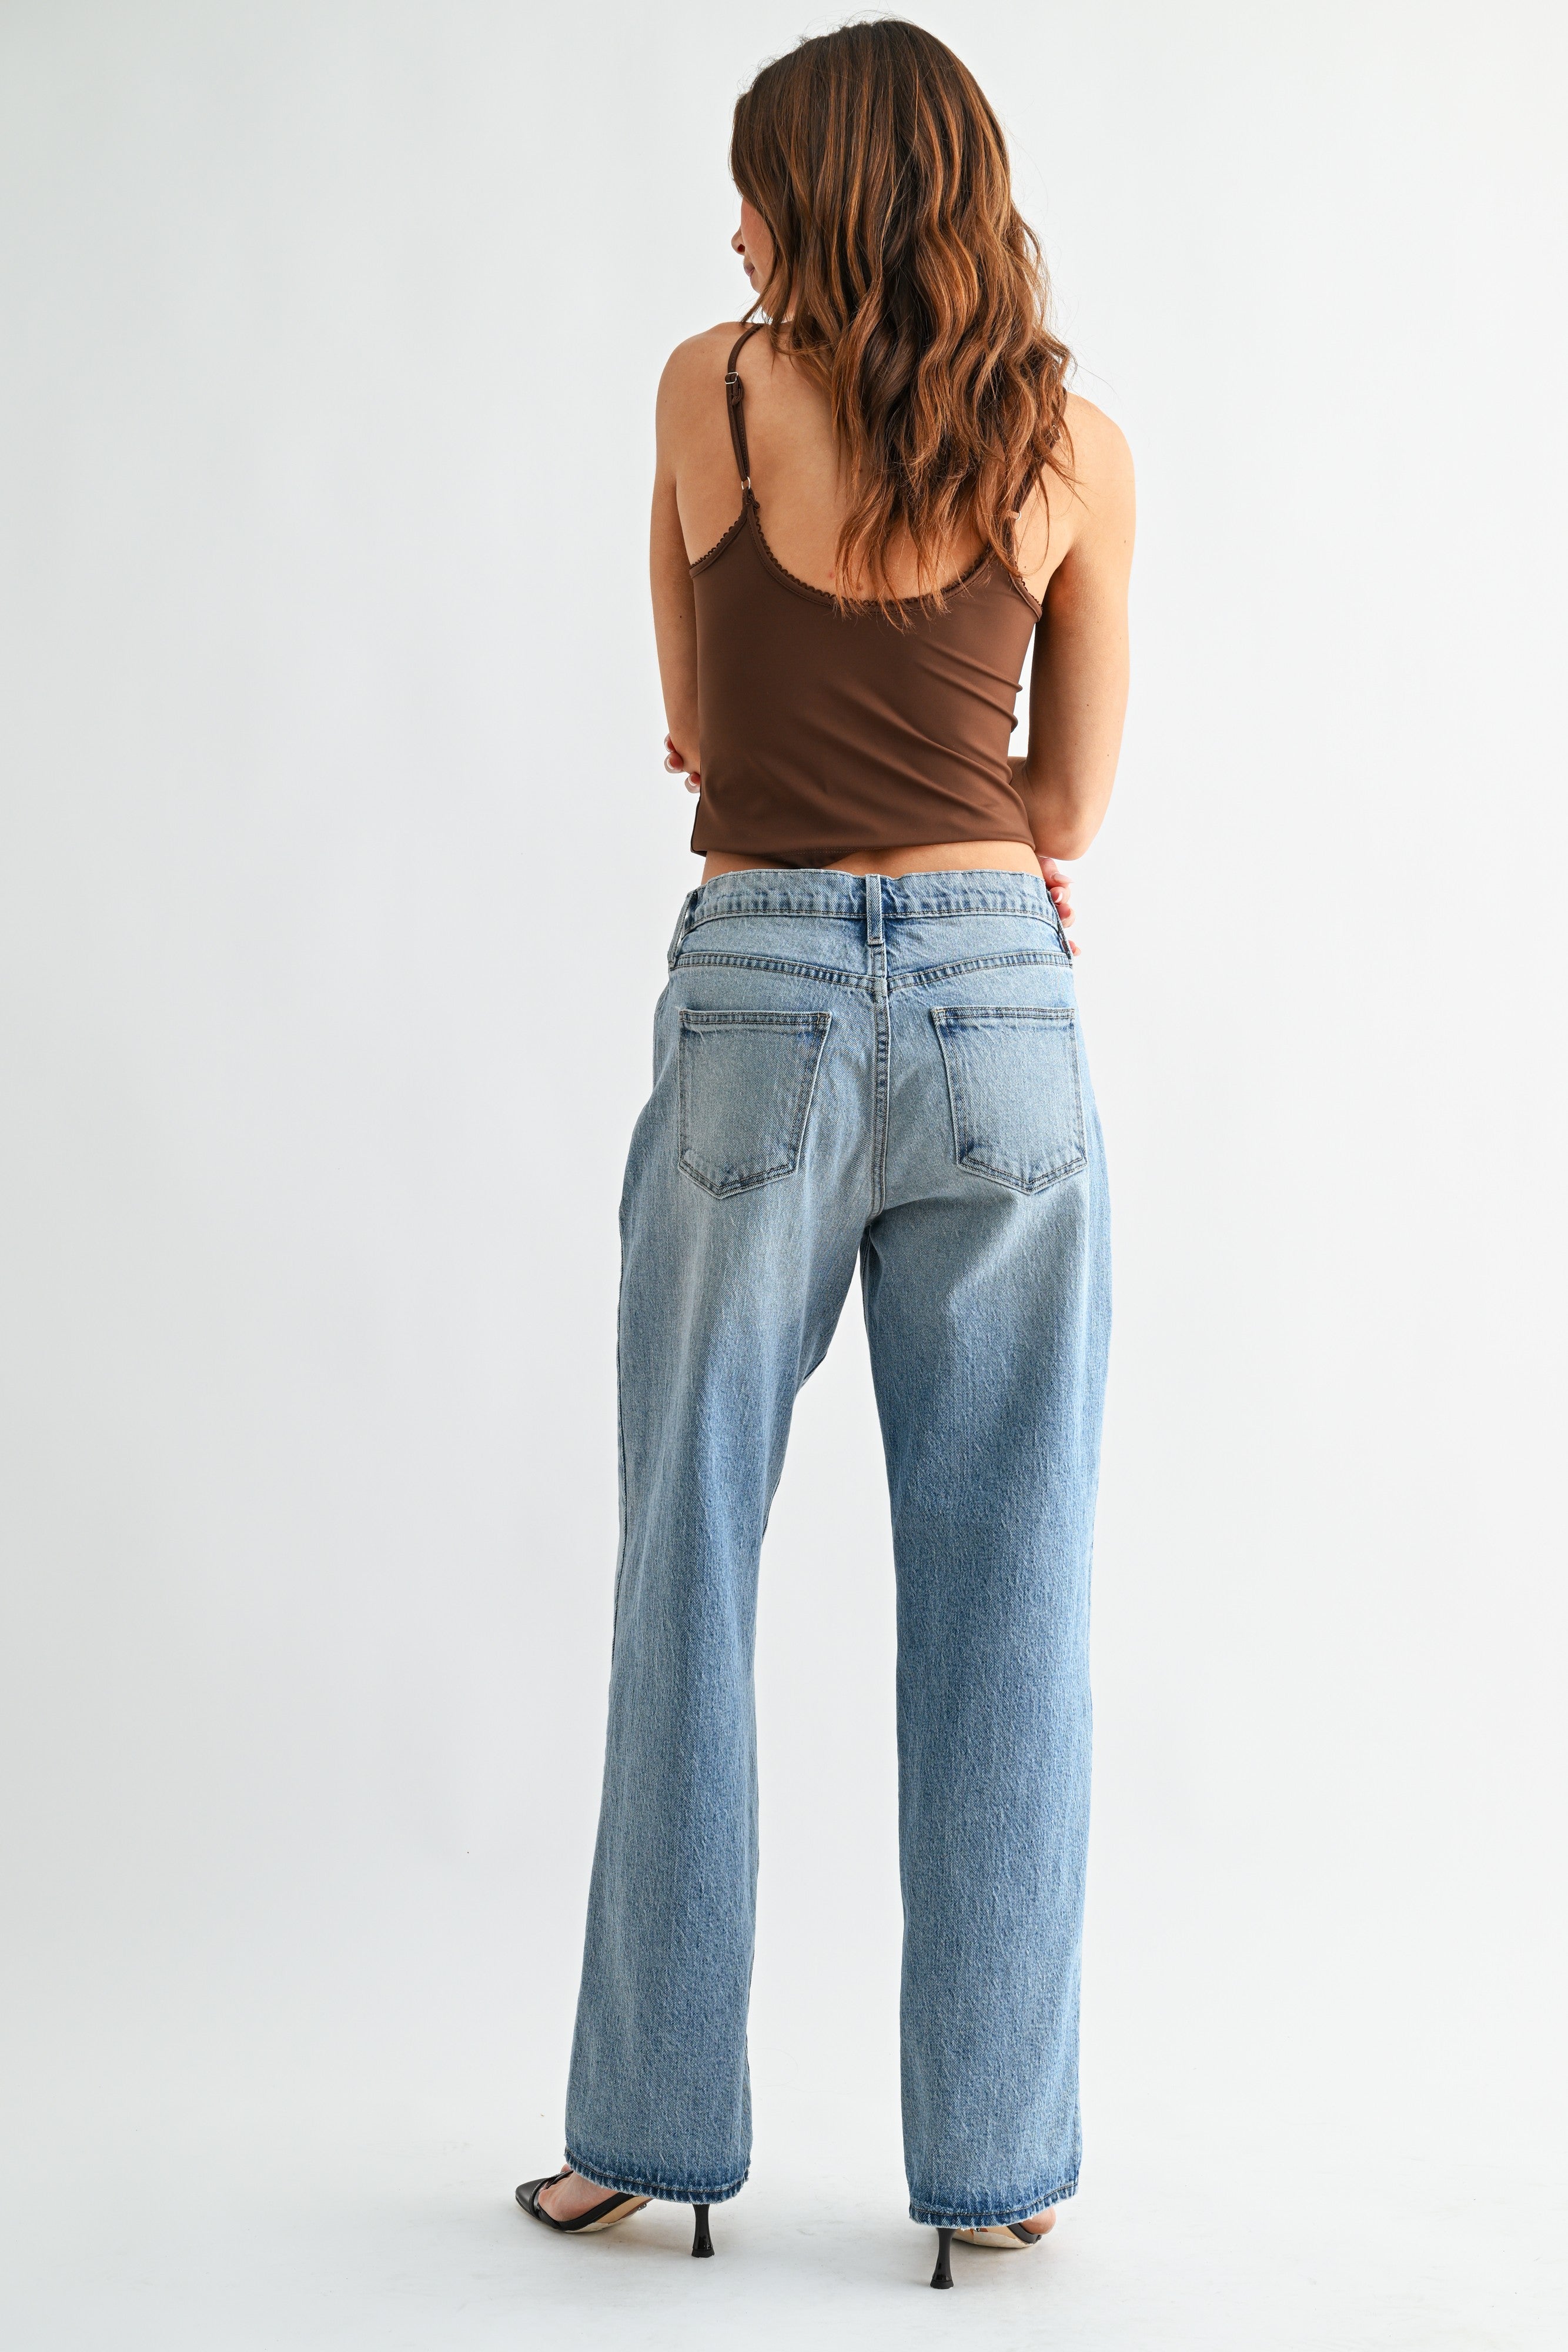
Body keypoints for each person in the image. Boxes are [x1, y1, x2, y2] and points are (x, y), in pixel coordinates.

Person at [516, 18, 1134, 2289]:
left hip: (760, 988)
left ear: (819, 194)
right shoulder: (1077, 448)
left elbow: (696, 719)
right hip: (1001, 1000)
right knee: (1012, 1588)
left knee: (687, 1557)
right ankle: (999, 2170)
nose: (739, 227)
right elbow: (1061, 814)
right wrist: (969, 871)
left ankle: (646, 2137)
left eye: (759, 181)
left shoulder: (712, 388)